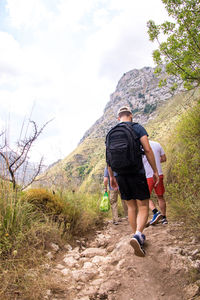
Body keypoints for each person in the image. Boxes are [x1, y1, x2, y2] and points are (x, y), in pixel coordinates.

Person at [107, 106, 159, 257]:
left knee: (130, 206)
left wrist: (111, 177)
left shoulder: (111, 133)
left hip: (120, 174)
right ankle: (138, 235)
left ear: (118, 118)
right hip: (137, 172)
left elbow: (108, 158)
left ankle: (135, 235)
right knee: (143, 205)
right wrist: (155, 171)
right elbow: (148, 150)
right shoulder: (137, 128)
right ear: (131, 115)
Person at [142, 140, 168, 225]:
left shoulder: (140, 147)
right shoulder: (157, 144)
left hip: (148, 176)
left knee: (145, 197)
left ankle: (155, 211)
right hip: (159, 174)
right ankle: (164, 218)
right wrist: (155, 161)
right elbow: (164, 158)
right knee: (160, 197)